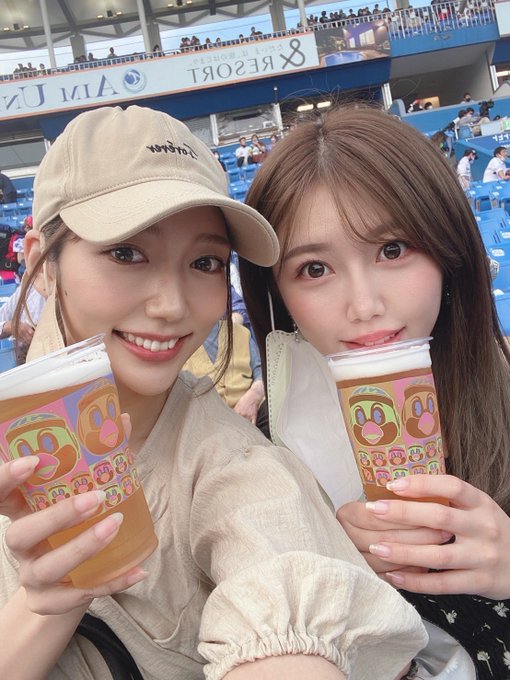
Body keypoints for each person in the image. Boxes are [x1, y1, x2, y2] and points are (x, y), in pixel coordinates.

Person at [0, 105, 427, 680]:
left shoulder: (233, 464)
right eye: (126, 252)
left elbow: (283, 588)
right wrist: (46, 604)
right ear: (42, 264)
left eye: (204, 262)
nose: (172, 305)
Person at [239, 105, 510, 678]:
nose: (364, 305)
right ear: (278, 293)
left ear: (449, 252)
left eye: (393, 250)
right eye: (315, 269)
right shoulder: (258, 451)